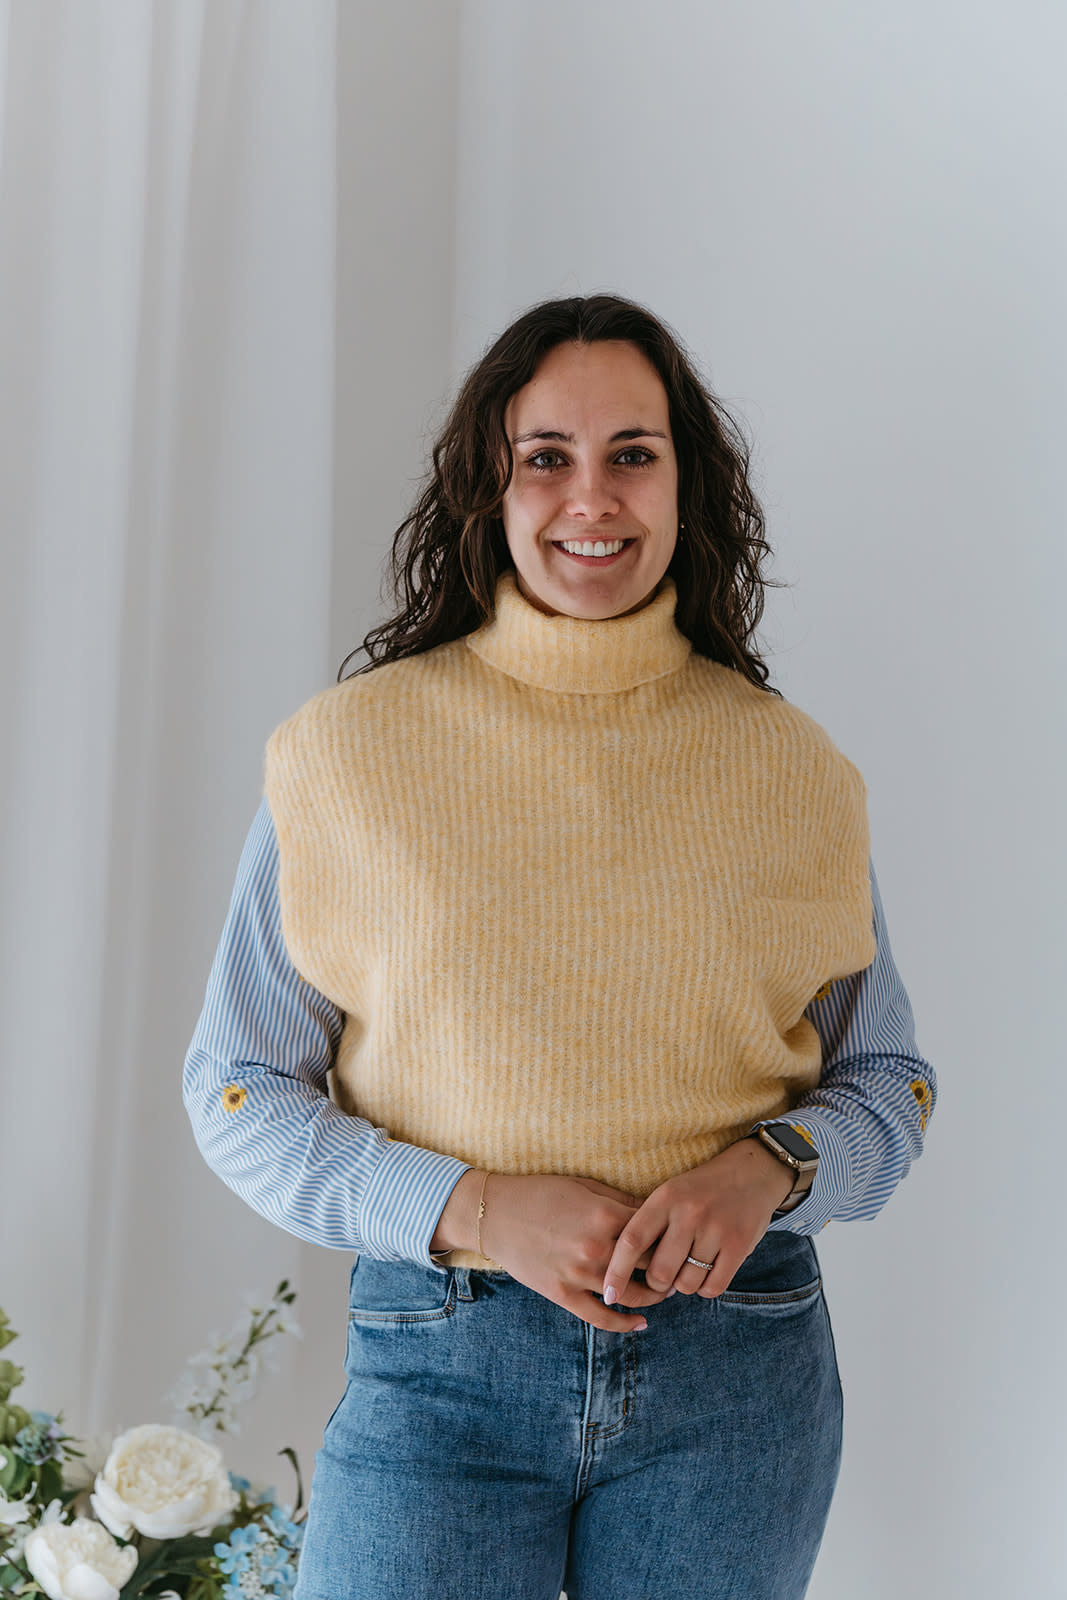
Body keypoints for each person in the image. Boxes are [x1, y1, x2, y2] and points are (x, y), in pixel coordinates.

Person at [184, 293, 935, 1600]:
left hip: (737, 1375)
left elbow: (890, 1082)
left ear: (687, 486)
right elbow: (236, 1089)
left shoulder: (793, 771)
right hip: (442, 1367)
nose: (593, 496)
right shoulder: (348, 756)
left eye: (633, 453)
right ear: (491, 486)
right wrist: (472, 1207)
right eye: (548, 457)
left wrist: (769, 1169)